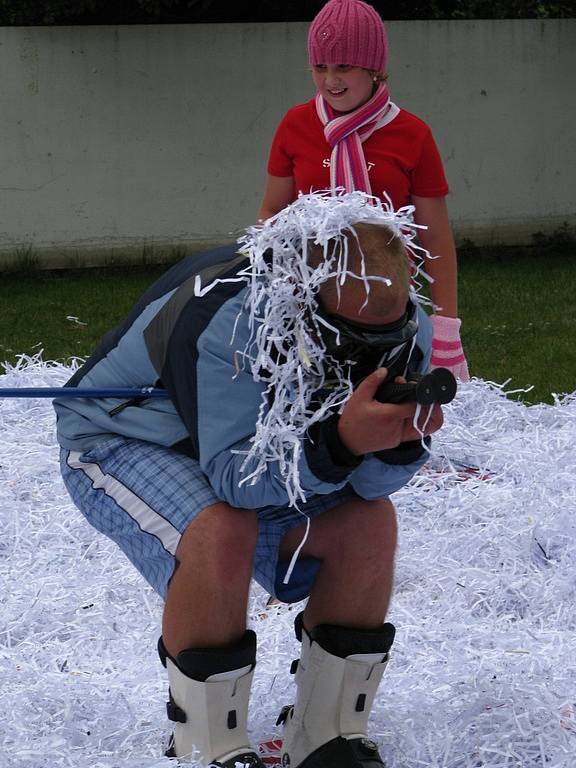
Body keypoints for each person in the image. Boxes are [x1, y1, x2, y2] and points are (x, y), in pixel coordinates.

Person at [54, 191, 444, 768]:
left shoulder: (409, 326)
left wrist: (400, 443)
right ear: (303, 298)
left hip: (251, 448)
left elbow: (367, 490)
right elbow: (237, 478)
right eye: (353, 337)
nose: (374, 354)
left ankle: (326, 735)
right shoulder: (233, 318)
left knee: (369, 526)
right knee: (220, 532)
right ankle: (206, 747)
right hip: (122, 435)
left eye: (387, 335)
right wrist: (342, 442)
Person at [259, 0, 469, 382]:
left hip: (388, 309)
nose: (330, 80)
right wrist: (274, 293)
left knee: (389, 413)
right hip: (310, 305)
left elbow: (434, 236)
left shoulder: (412, 134)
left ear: (374, 68)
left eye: (344, 66)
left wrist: (445, 329)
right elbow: (272, 215)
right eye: (320, 67)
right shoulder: (295, 125)